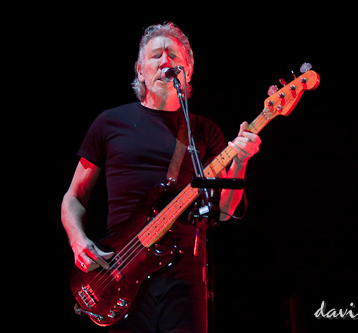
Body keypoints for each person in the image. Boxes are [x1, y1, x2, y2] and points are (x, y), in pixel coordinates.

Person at [61, 22, 261, 333]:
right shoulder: (110, 122)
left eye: (174, 57)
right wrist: (78, 241)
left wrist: (241, 162)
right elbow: (74, 197)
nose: (165, 62)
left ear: (188, 73)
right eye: (156, 56)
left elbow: (223, 210)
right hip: (119, 272)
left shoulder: (204, 132)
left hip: (185, 276)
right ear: (140, 71)